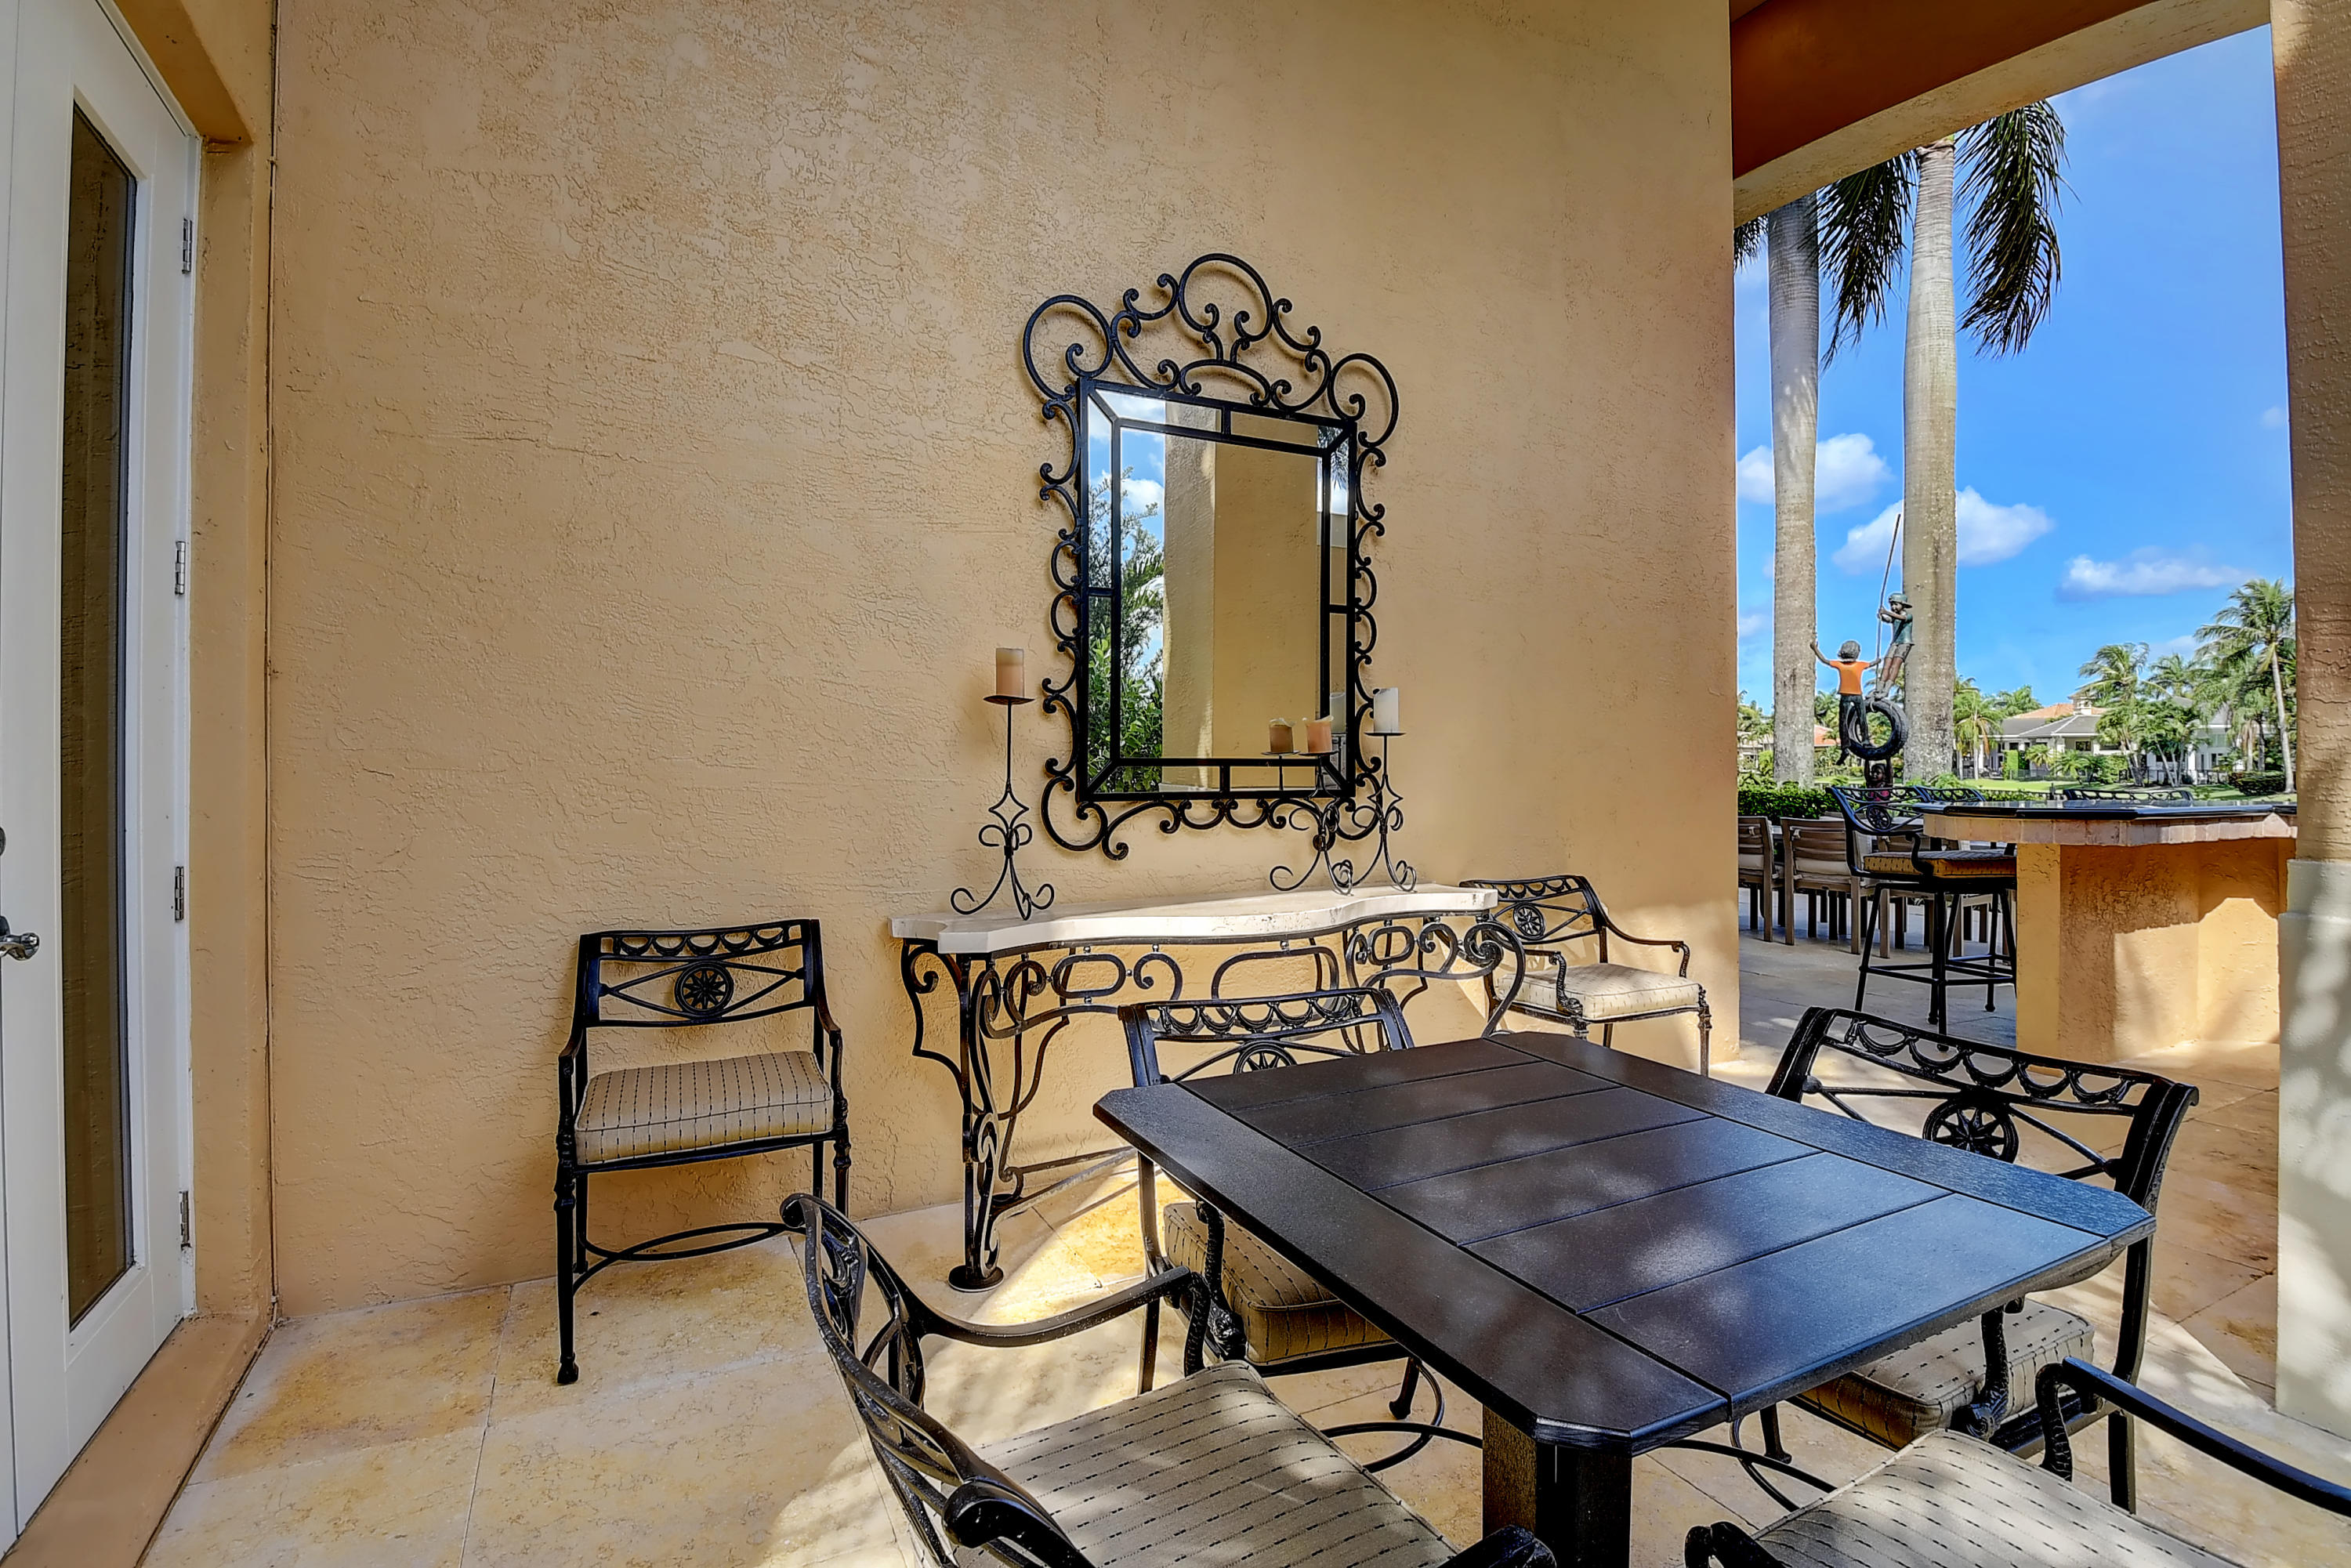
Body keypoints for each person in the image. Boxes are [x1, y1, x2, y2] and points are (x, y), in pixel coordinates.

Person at [1813, 637, 1876, 760]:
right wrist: (1878, 660)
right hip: (1856, 695)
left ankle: (1846, 747)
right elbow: (1872, 663)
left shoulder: (1841, 664)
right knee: (1861, 718)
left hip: (1846, 695)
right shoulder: (1860, 665)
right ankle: (1865, 740)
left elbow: (1824, 660)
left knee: (1844, 721)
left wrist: (1815, 649)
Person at [1875, 592, 1914, 693]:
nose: (1893, 607)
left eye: (1896, 604)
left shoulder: (1908, 616)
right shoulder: (1894, 617)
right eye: (1892, 605)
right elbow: (1889, 620)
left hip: (1904, 643)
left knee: (1895, 665)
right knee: (1886, 664)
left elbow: (1902, 618)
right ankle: (1880, 687)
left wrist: (1886, 612)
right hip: (1895, 642)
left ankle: (1886, 689)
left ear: (1903, 605)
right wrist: (1881, 616)